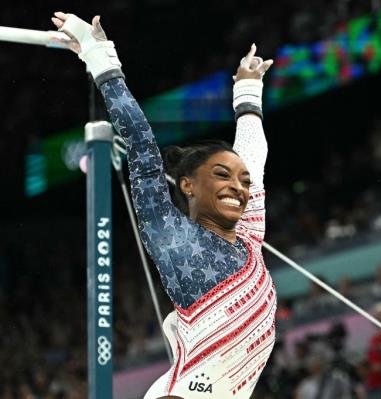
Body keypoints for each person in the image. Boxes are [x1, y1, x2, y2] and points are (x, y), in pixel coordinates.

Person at [51, 12, 276, 399]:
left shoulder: (249, 236)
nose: (239, 187)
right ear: (187, 185)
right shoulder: (173, 240)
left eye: (240, 181)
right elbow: (141, 144)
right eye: (222, 176)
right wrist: (99, 55)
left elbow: (253, 155)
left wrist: (248, 92)